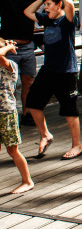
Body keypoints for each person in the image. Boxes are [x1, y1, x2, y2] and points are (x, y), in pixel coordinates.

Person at [23, 0, 82, 160]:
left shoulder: (67, 21)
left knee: (69, 110)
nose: (45, 8)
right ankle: (46, 135)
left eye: (49, 5)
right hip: (48, 70)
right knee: (33, 103)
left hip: (66, 72)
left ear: (58, 5)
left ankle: (77, 145)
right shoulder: (46, 19)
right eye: (45, 5)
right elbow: (28, 12)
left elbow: (70, 4)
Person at [0, 0, 53, 126]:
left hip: (28, 46)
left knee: (28, 82)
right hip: (10, 47)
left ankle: (26, 113)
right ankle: (9, 115)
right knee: (9, 82)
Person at [0, 38, 34, 194]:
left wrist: (7, 48)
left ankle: (27, 181)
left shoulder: (10, 65)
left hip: (6, 112)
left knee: (12, 150)